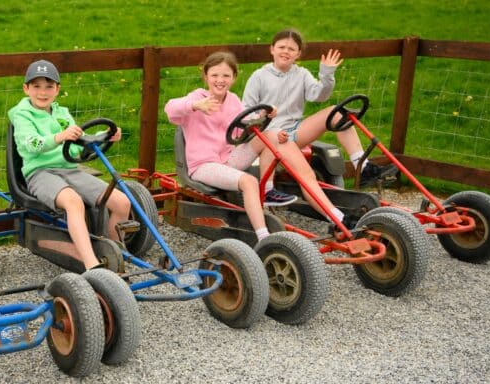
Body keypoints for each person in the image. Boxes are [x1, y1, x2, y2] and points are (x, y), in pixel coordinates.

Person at [166, 51, 356, 241]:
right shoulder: (198, 97)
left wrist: (266, 116)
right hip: (204, 165)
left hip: (229, 159)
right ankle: (263, 236)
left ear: (233, 78)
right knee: (249, 181)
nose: (220, 80)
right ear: (206, 76)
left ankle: (269, 191)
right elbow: (170, 109)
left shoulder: (232, 100)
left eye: (226, 76)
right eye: (215, 75)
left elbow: (245, 127)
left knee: (271, 136)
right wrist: (195, 105)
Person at [8, 59, 130, 270]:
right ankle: (91, 264)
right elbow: (31, 144)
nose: (42, 92)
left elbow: (79, 142)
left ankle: (115, 250)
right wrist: (59, 137)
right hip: (39, 173)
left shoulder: (62, 113)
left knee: (121, 202)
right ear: (26, 88)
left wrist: (105, 136)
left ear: (57, 89)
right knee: (74, 203)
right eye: (36, 86)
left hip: (69, 169)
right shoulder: (21, 115)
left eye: (49, 86)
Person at [243, 27, 399, 190]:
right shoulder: (259, 76)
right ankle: (268, 191)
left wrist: (326, 74)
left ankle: (363, 166)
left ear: (298, 54)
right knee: (275, 139)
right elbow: (246, 109)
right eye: (281, 47)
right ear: (272, 49)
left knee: (337, 113)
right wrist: (262, 120)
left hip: (294, 131)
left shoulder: (301, 74)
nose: (285, 52)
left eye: (291, 49)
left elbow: (319, 95)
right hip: (268, 135)